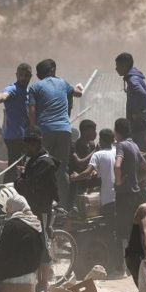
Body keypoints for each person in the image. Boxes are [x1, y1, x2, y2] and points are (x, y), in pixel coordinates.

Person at [27, 58, 84, 208]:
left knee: (42, 167)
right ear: (52, 70)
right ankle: (62, 206)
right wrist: (79, 87)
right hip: (64, 131)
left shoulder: (35, 87)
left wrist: (32, 132)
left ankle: (42, 204)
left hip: (45, 131)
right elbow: (78, 93)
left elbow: (32, 111)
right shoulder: (63, 83)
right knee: (61, 169)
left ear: (39, 74)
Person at [14, 128, 59, 292]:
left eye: (28, 146)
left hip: (42, 209)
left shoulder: (44, 163)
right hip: (32, 208)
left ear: (35, 145)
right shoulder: (34, 161)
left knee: (42, 244)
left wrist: (20, 178)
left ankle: (44, 284)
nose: (26, 149)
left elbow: (30, 184)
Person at [71, 129, 118, 273]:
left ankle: (112, 266)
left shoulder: (98, 154)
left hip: (107, 199)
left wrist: (75, 177)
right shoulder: (117, 152)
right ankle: (119, 265)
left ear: (101, 141)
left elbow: (87, 173)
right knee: (116, 232)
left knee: (108, 233)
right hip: (119, 197)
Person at [0, 63, 33, 182]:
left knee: (21, 167)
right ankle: (8, 188)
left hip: (24, 136)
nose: (23, 78)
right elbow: (4, 95)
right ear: (16, 75)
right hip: (14, 137)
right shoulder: (13, 89)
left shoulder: (28, 92)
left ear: (31, 76)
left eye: (26, 75)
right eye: (21, 75)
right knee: (14, 167)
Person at [114, 118, 146, 257]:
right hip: (136, 195)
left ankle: (124, 263)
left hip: (124, 196)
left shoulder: (121, 145)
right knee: (134, 228)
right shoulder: (134, 146)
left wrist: (118, 182)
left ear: (117, 131)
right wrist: (135, 180)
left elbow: (117, 165)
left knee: (122, 231)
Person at [116, 52, 146, 152]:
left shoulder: (132, 79)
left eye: (118, 65)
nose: (116, 68)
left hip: (140, 125)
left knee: (141, 153)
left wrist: (136, 113)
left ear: (125, 65)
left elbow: (141, 92)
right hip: (140, 124)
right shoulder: (133, 78)